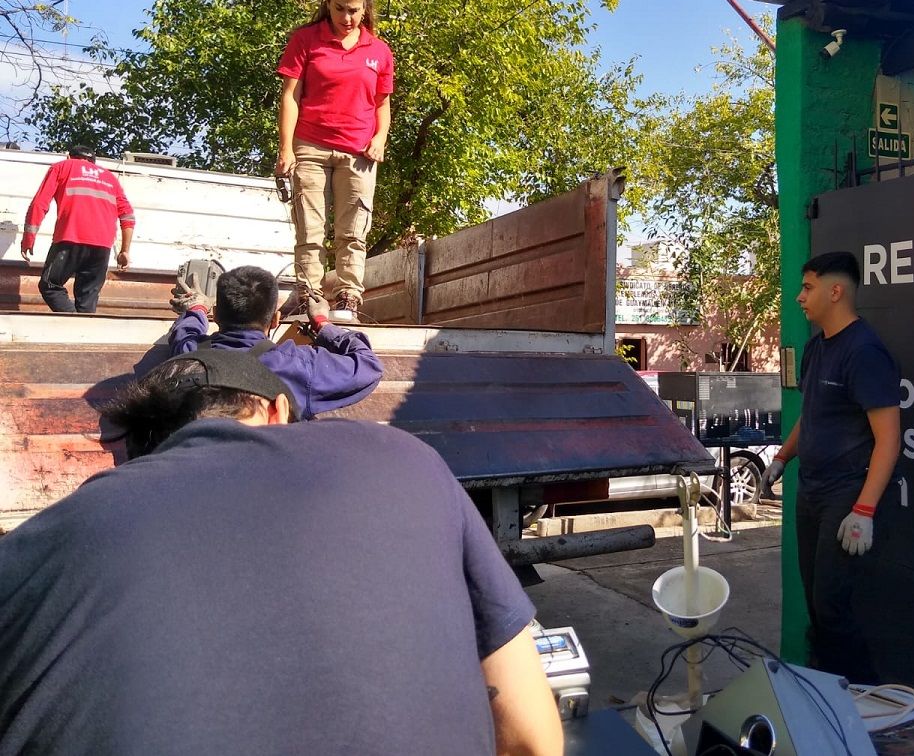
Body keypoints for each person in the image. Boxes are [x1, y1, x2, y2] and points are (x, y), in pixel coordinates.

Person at [0, 348, 563, 755]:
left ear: (137, 449)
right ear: (276, 412)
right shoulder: (402, 457)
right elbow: (531, 738)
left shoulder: (39, 546)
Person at [761, 251, 901, 684]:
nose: (800, 297)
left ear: (835, 291)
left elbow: (889, 439)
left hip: (846, 494)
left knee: (832, 607)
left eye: (808, 287)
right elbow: (812, 415)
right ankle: (827, 694)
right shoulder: (816, 348)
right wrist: (782, 457)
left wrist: (864, 511)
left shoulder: (865, 352)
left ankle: (865, 699)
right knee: (817, 606)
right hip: (812, 490)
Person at [276, 0, 394, 322]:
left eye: (354, 9)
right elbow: (290, 96)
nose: (347, 17)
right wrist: (285, 148)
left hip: (359, 152)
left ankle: (348, 297)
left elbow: (382, 104)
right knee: (310, 229)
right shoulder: (305, 40)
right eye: (340, 8)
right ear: (328, 2)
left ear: (365, 6)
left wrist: (380, 138)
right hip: (309, 147)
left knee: (353, 231)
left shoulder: (379, 50)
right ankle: (309, 295)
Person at [168, 264, 383, 420]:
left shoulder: (191, 354)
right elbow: (368, 366)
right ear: (275, 320)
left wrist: (197, 309)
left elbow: (184, 333)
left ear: (215, 315)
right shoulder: (298, 365)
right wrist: (321, 322)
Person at [20, 144, 135, 313]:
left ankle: (74, 321)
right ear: (93, 162)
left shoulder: (62, 167)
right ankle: (83, 327)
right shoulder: (109, 177)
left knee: (50, 285)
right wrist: (124, 251)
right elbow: (128, 216)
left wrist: (28, 239)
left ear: (69, 156)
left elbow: (39, 204)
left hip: (70, 238)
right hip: (102, 246)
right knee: (87, 298)